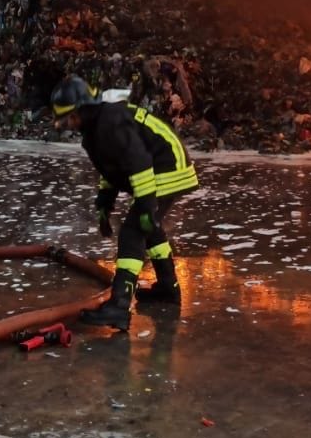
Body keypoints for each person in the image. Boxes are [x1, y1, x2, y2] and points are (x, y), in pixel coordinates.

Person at [50, 74, 199, 330]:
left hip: (167, 167)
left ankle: (119, 306)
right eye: (65, 120)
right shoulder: (95, 131)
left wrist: (145, 206)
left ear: (85, 109)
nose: (69, 124)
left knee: (133, 231)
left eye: (71, 117)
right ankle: (167, 289)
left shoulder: (111, 122)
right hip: (161, 167)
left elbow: (138, 163)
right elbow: (112, 169)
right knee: (149, 228)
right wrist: (104, 203)